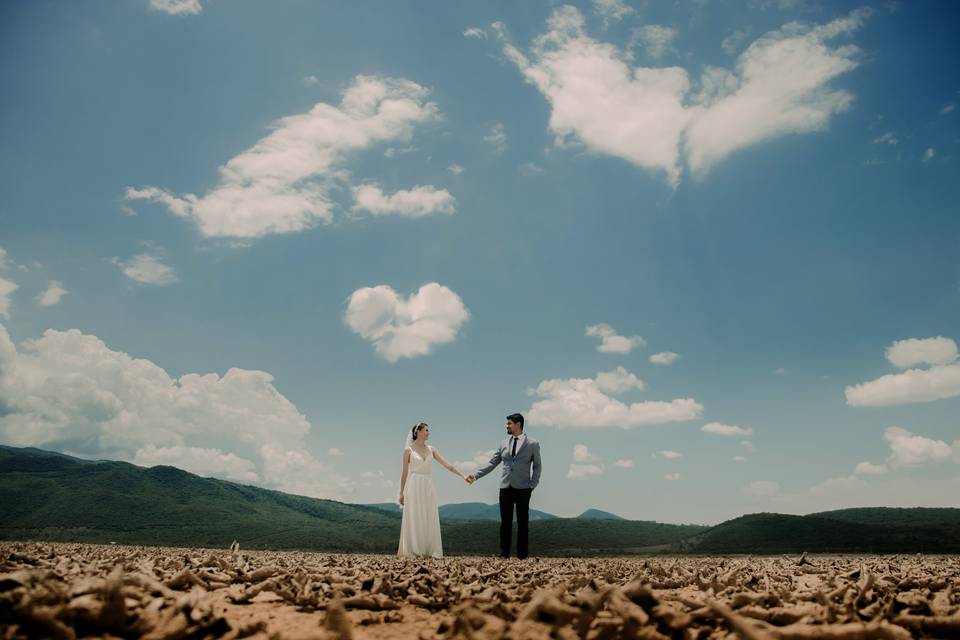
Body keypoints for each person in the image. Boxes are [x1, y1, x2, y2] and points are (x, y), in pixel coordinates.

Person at [466, 413, 542, 559]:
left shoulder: (533, 444)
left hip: (523, 488)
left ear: (518, 424)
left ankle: (522, 556)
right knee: (505, 523)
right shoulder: (503, 443)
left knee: (522, 523)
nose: (506, 426)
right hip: (505, 487)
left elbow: (537, 466)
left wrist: (533, 484)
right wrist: (476, 475)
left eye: (509, 424)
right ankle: (504, 554)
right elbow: (492, 463)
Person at [397, 422, 470, 558]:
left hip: (428, 484)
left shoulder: (432, 449)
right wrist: (401, 493)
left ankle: (429, 549)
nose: (429, 433)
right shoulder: (408, 450)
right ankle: (414, 550)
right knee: (415, 515)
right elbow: (404, 472)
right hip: (414, 484)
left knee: (428, 514)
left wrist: (463, 476)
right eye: (426, 430)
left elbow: (448, 465)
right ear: (418, 431)